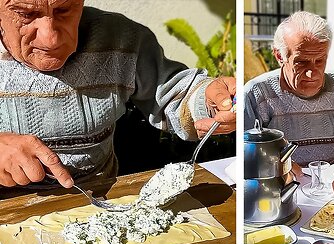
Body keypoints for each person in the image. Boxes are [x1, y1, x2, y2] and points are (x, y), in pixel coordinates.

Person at [0, 0, 235, 188]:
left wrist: (211, 102)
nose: (50, 38)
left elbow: (173, 95)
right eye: (26, 14)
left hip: (101, 200)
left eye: (64, 10)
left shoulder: (121, 38)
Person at [244, 11, 334, 169]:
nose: (311, 72)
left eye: (319, 61)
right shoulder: (257, 94)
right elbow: (247, 157)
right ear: (279, 56)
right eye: (301, 62)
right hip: (283, 186)